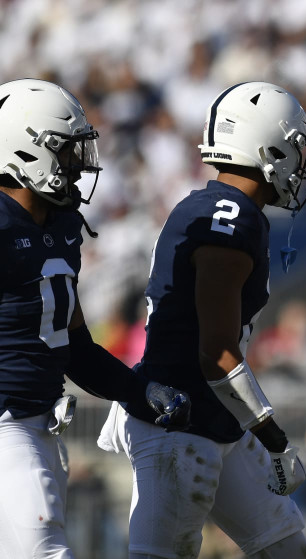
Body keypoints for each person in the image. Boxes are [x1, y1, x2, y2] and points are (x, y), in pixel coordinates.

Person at [97, 81, 306, 558]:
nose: (299, 165)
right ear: (269, 147)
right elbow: (216, 352)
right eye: (294, 149)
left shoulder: (226, 208)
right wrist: (274, 437)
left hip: (213, 415)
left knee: (287, 549)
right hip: (178, 420)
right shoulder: (231, 217)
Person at [0, 78, 191, 558]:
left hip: (37, 424)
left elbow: (74, 346)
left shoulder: (62, 226)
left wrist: (136, 390)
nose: (78, 167)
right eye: (66, 153)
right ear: (26, 151)